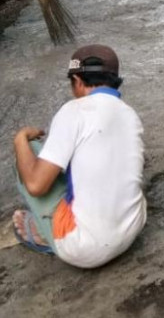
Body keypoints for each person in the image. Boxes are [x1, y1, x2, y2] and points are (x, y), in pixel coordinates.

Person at [11, 45, 147, 268]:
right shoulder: (129, 114)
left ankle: (44, 231)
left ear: (77, 80)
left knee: (31, 151)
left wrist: (19, 138)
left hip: (86, 249)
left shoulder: (74, 110)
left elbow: (36, 185)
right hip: (133, 229)